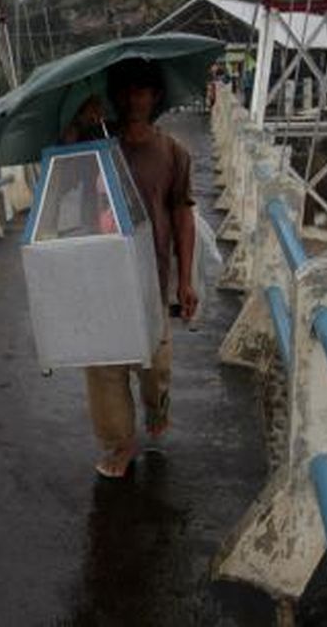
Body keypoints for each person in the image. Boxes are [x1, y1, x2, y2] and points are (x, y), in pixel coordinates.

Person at [84, 59, 197, 478]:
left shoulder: (173, 152)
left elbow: (183, 216)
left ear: (155, 98)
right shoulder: (96, 146)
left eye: (143, 91)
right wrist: (79, 128)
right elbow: (67, 182)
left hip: (152, 277)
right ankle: (119, 443)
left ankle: (156, 407)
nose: (135, 99)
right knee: (104, 369)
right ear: (118, 97)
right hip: (101, 274)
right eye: (128, 91)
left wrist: (185, 281)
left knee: (155, 366)